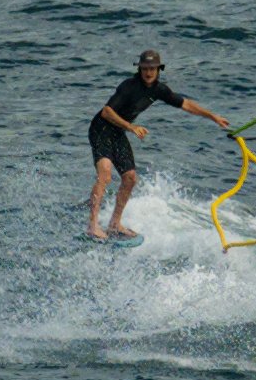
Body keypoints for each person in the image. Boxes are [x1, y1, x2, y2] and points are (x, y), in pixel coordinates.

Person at [86, 49, 229, 240]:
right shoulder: (129, 86)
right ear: (140, 69)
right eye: (145, 68)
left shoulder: (159, 90)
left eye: (152, 68)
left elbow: (185, 104)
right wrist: (131, 127)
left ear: (159, 69)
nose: (148, 72)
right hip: (101, 129)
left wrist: (212, 116)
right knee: (105, 174)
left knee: (130, 178)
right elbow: (106, 112)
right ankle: (93, 225)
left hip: (119, 131)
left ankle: (114, 224)